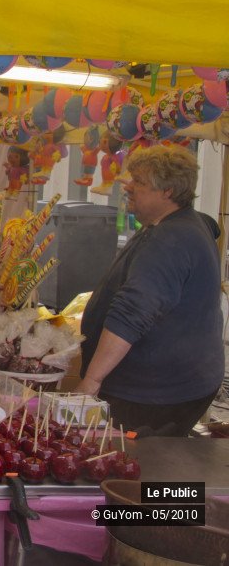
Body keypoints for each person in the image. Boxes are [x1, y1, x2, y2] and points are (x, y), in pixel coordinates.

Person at [75, 145, 223, 436]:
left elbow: (131, 314)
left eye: (139, 182)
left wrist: (92, 380)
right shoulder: (181, 223)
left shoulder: (171, 240)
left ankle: (159, 477)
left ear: (168, 191)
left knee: (132, 460)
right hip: (177, 382)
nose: (128, 186)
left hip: (154, 394)